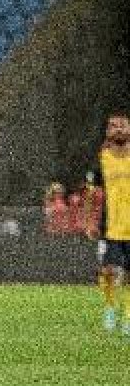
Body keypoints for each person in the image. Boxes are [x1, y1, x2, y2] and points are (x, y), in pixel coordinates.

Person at [90, 112, 130, 335]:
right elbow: (93, 192)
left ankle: (128, 316)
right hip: (110, 226)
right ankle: (110, 308)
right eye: (113, 126)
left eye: (122, 126)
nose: (118, 129)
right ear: (107, 132)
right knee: (107, 271)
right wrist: (90, 220)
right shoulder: (102, 159)